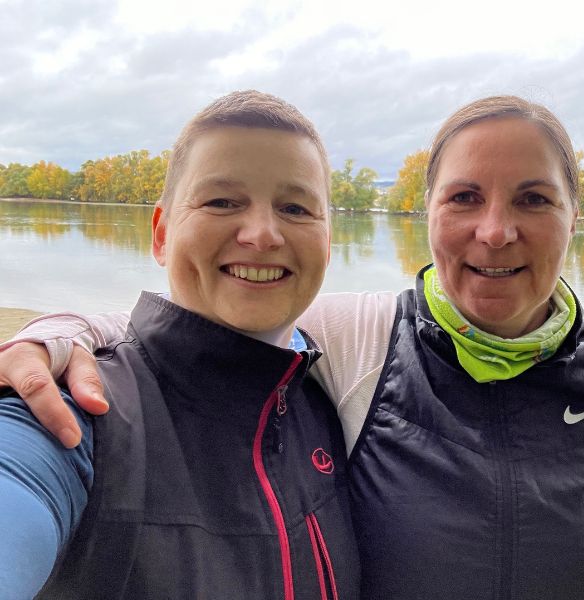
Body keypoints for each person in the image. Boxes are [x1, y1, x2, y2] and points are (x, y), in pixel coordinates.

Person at [1, 96, 584, 599]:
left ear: (577, 217)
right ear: (429, 216)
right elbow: (192, 332)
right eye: (465, 197)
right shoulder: (360, 339)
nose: (495, 230)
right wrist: (55, 336)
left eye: (534, 199)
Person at [0, 90, 360, 599]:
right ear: (161, 233)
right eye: (221, 201)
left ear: (328, 242)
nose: (261, 233)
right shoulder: (78, 411)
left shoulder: (337, 392)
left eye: (295, 207)